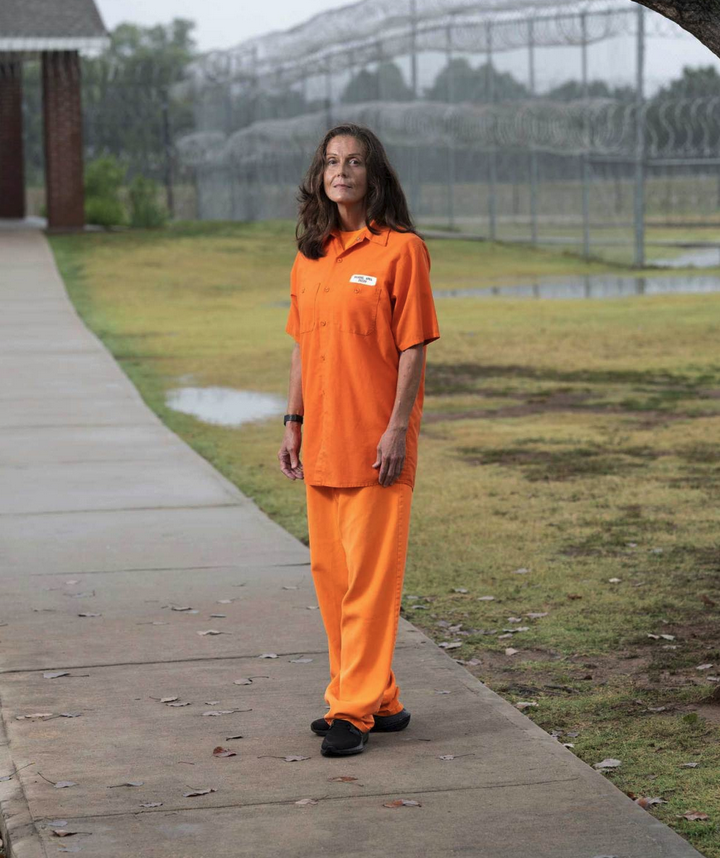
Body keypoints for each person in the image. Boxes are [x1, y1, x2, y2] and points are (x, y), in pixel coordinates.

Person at [278, 122, 440, 757]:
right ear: (320, 177)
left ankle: (350, 710)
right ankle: (382, 698)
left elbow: (413, 346)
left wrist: (397, 427)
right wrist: (292, 422)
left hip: (377, 445)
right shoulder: (309, 255)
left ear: (375, 175)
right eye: (331, 162)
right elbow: (300, 349)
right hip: (321, 443)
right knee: (333, 577)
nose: (341, 171)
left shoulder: (402, 251)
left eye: (353, 162)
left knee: (370, 584)